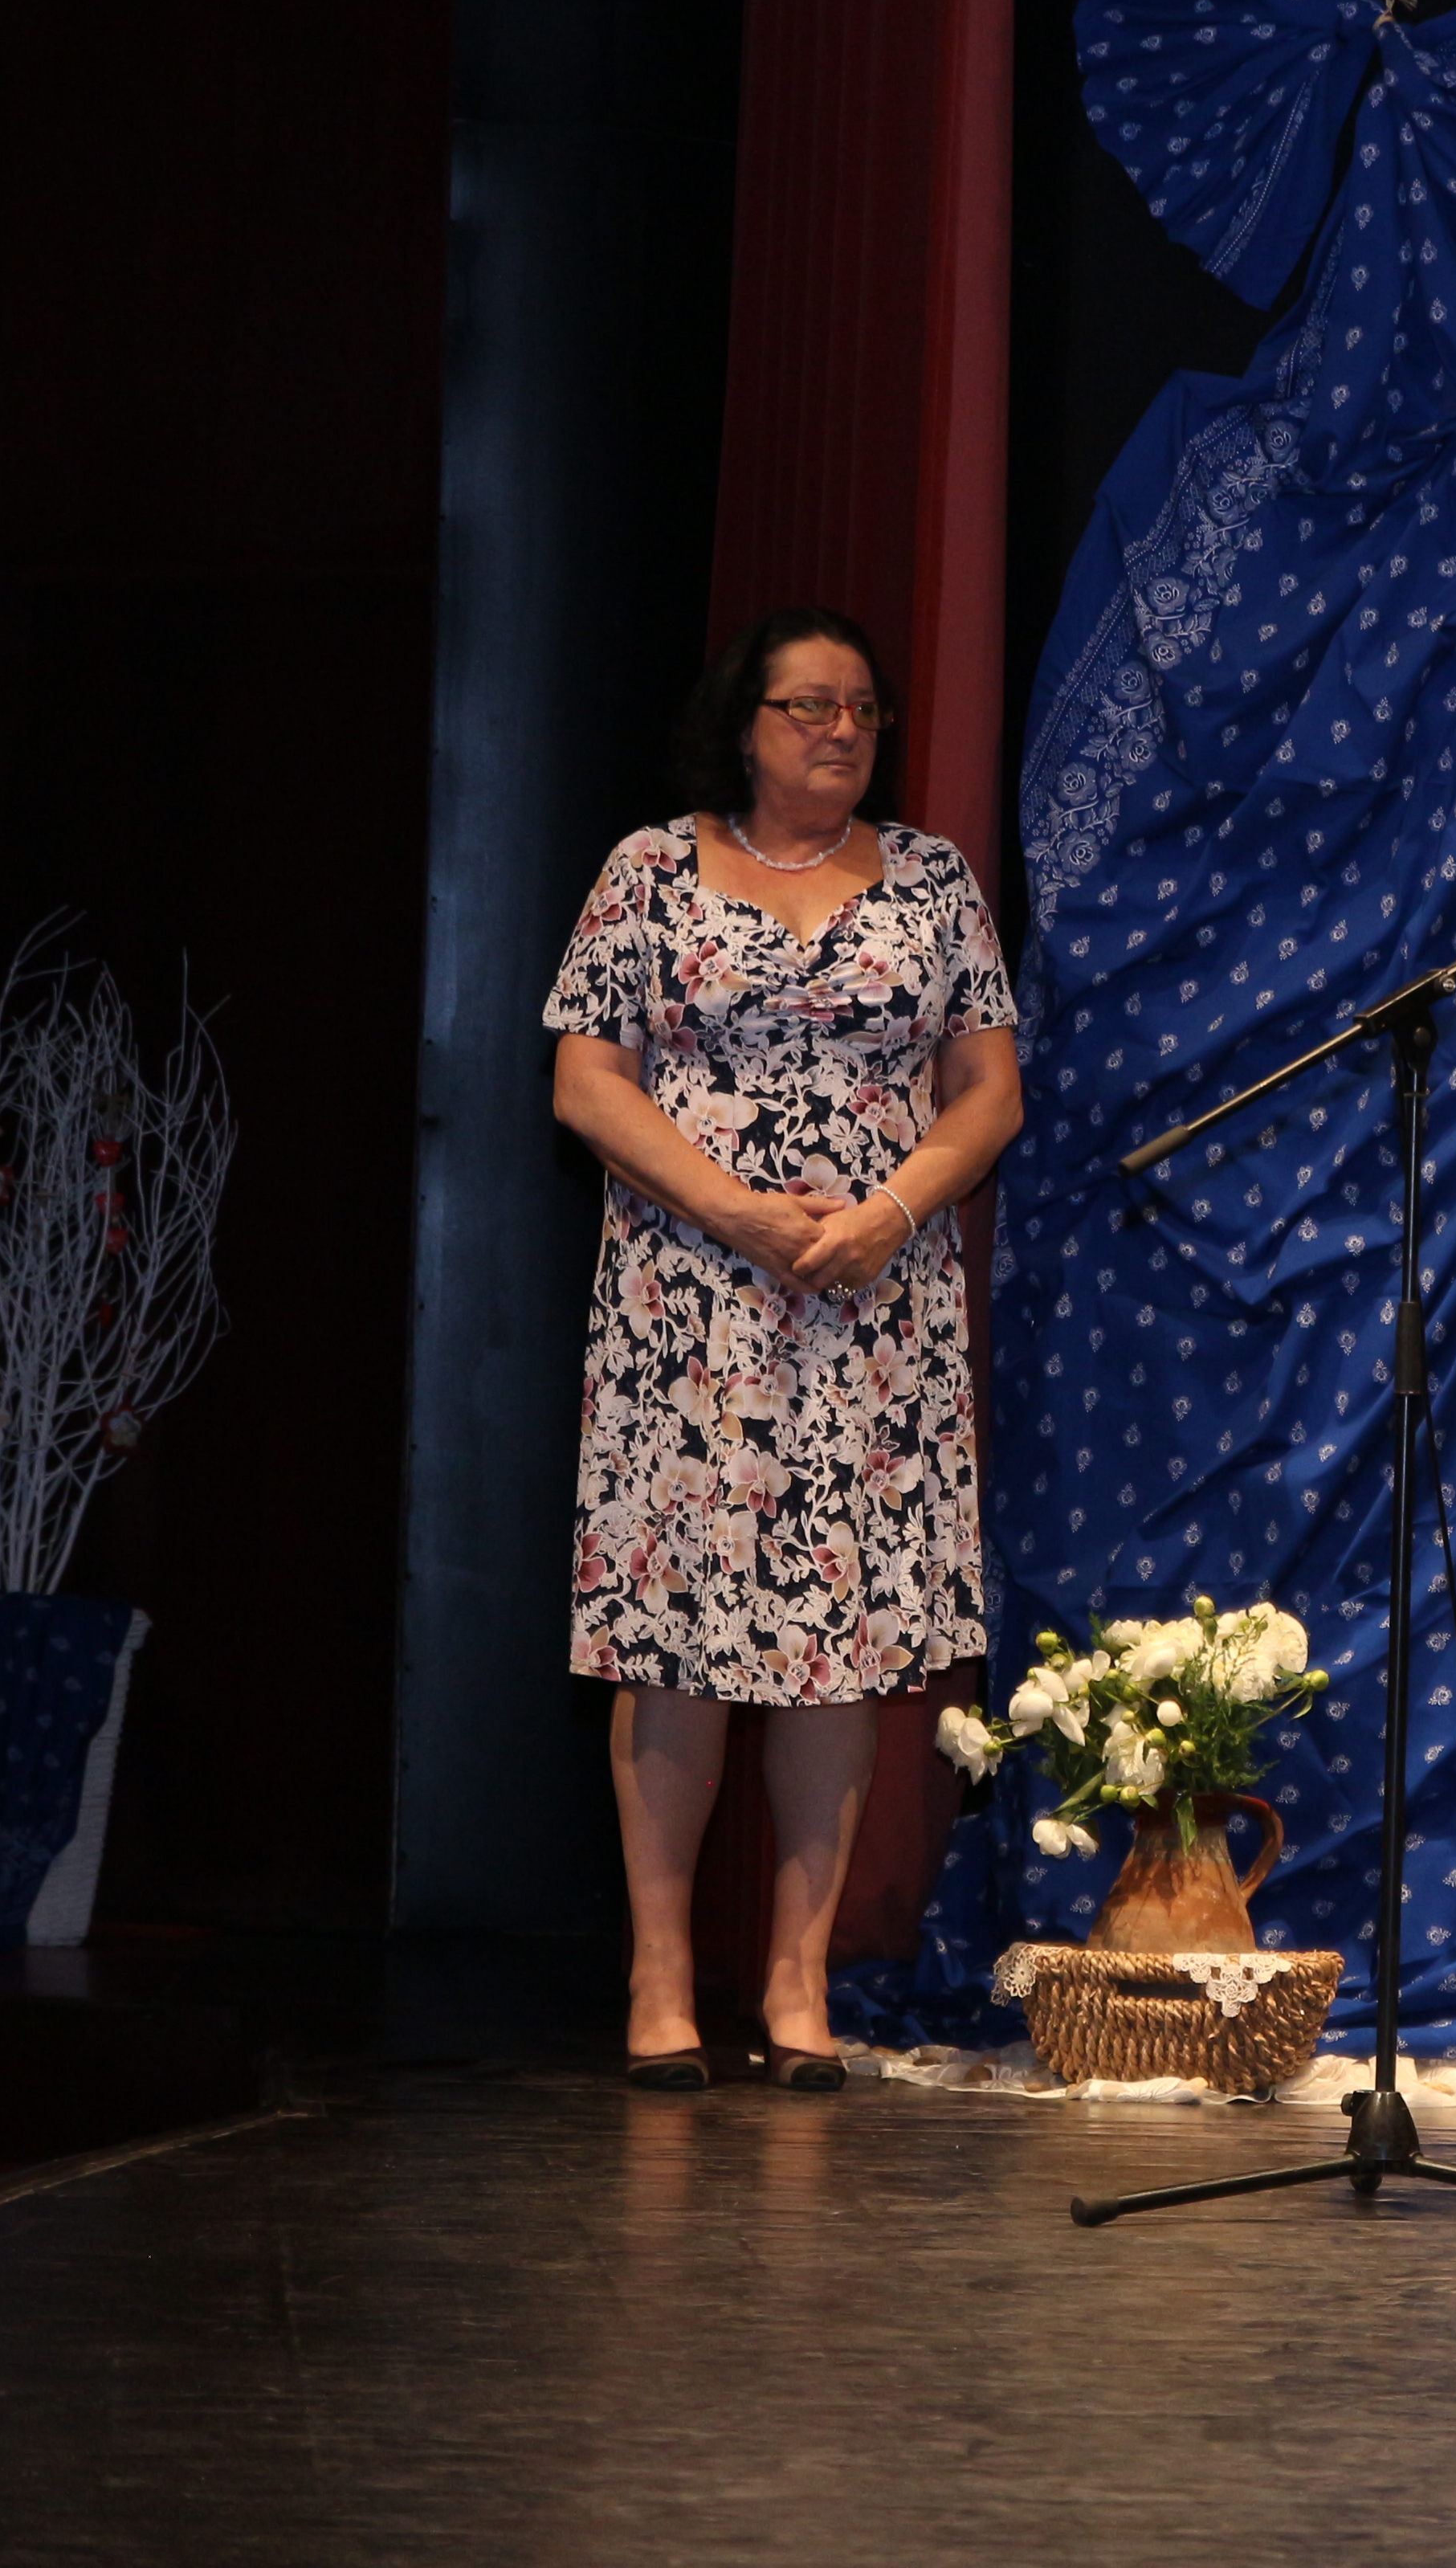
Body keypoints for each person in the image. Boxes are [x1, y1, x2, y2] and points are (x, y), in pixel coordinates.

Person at [546, 610, 1023, 2091]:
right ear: (743, 725)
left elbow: (989, 1091)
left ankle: (800, 1981)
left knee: (841, 1643)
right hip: (691, 1302)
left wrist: (892, 1210)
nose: (842, 730)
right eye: (811, 706)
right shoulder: (650, 870)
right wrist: (734, 1209)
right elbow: (586, 1081)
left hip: (873, 1305)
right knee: (676, 1634)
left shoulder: (932, 880)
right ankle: (662, 1976)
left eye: (864, 709)